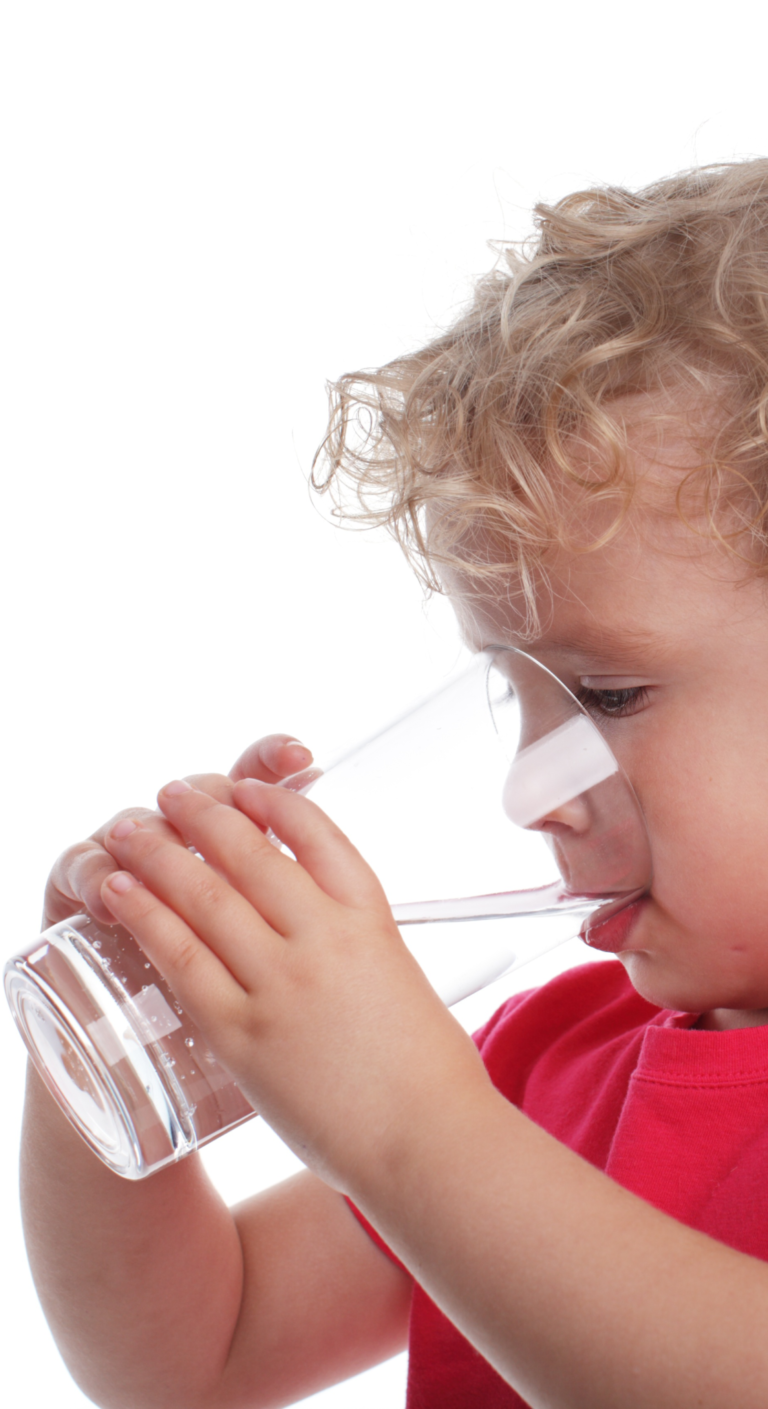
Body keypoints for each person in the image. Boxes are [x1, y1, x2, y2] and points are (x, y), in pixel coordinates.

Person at [21, 159, 768, 1409]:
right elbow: (190, 1359)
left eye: (610, 694)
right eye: (514, 690)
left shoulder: (450, 1128)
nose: (533, 793)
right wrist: (117, 1046)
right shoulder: (546, 1065)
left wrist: (409, 1128)